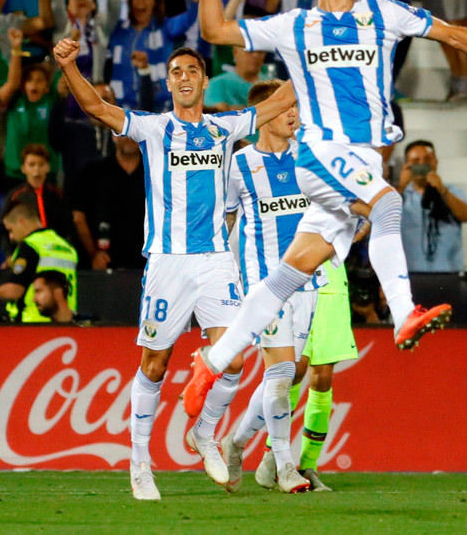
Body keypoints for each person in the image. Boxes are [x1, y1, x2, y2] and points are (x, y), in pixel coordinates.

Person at [184, 0, 467, 402]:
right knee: (389, 202)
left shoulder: (382, 13)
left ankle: (210, 364)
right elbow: (215, 31)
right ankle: (404, 315)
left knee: (289, 274)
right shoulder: (295, 26)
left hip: (360, 160)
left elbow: (455, 34)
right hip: (319, 153)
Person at [51, 37, 296, 501]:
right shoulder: (153, 128)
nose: (183, 78)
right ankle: (140, 463)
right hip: (167, 262)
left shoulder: (226, 126)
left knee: (235, 358)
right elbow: (97, 108)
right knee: (155, 363)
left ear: (205, 80)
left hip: (215, 259)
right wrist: (68, 66)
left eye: (191, 71)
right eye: (176, 72)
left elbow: (283, 99)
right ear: (168, 83)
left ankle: (205, 432)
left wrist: (307, 51)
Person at [220, 79, 320, 494]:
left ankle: (237, 442)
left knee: (290, 374)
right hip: (265, 286)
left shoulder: (309, 158)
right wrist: (228, 281)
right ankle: (284, 467)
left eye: (296, 106)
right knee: (278, 373)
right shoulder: (238, 165)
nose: (294, 114)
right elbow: (224, 223)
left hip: (310, 282)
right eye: (285, 108)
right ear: (262, 116)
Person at [0, 200, 78, 324]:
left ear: (22, 221)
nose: (11, 237)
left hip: (32, 323)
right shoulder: (67, 247)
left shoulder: (31, 246)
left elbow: (15, 291)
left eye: (11, 230)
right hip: (64, 323)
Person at [69, 135, 145, 270]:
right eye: (124, 132)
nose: (129, 138)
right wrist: (93, 254)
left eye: (135, 132)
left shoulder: (155, 172)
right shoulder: (93, 171)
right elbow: (78, 217)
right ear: (114, 136)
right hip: (104, 263)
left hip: (146, 264)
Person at [398, 139, 467, 272]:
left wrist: (442, 190)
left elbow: (466, 216)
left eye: (427, 159)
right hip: (409, 272)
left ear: (436, 161)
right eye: (415, 161)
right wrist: (401, 185)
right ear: (406, 165)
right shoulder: (400, 195)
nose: (422, 164)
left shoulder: (452, 191)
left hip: (448, 271)